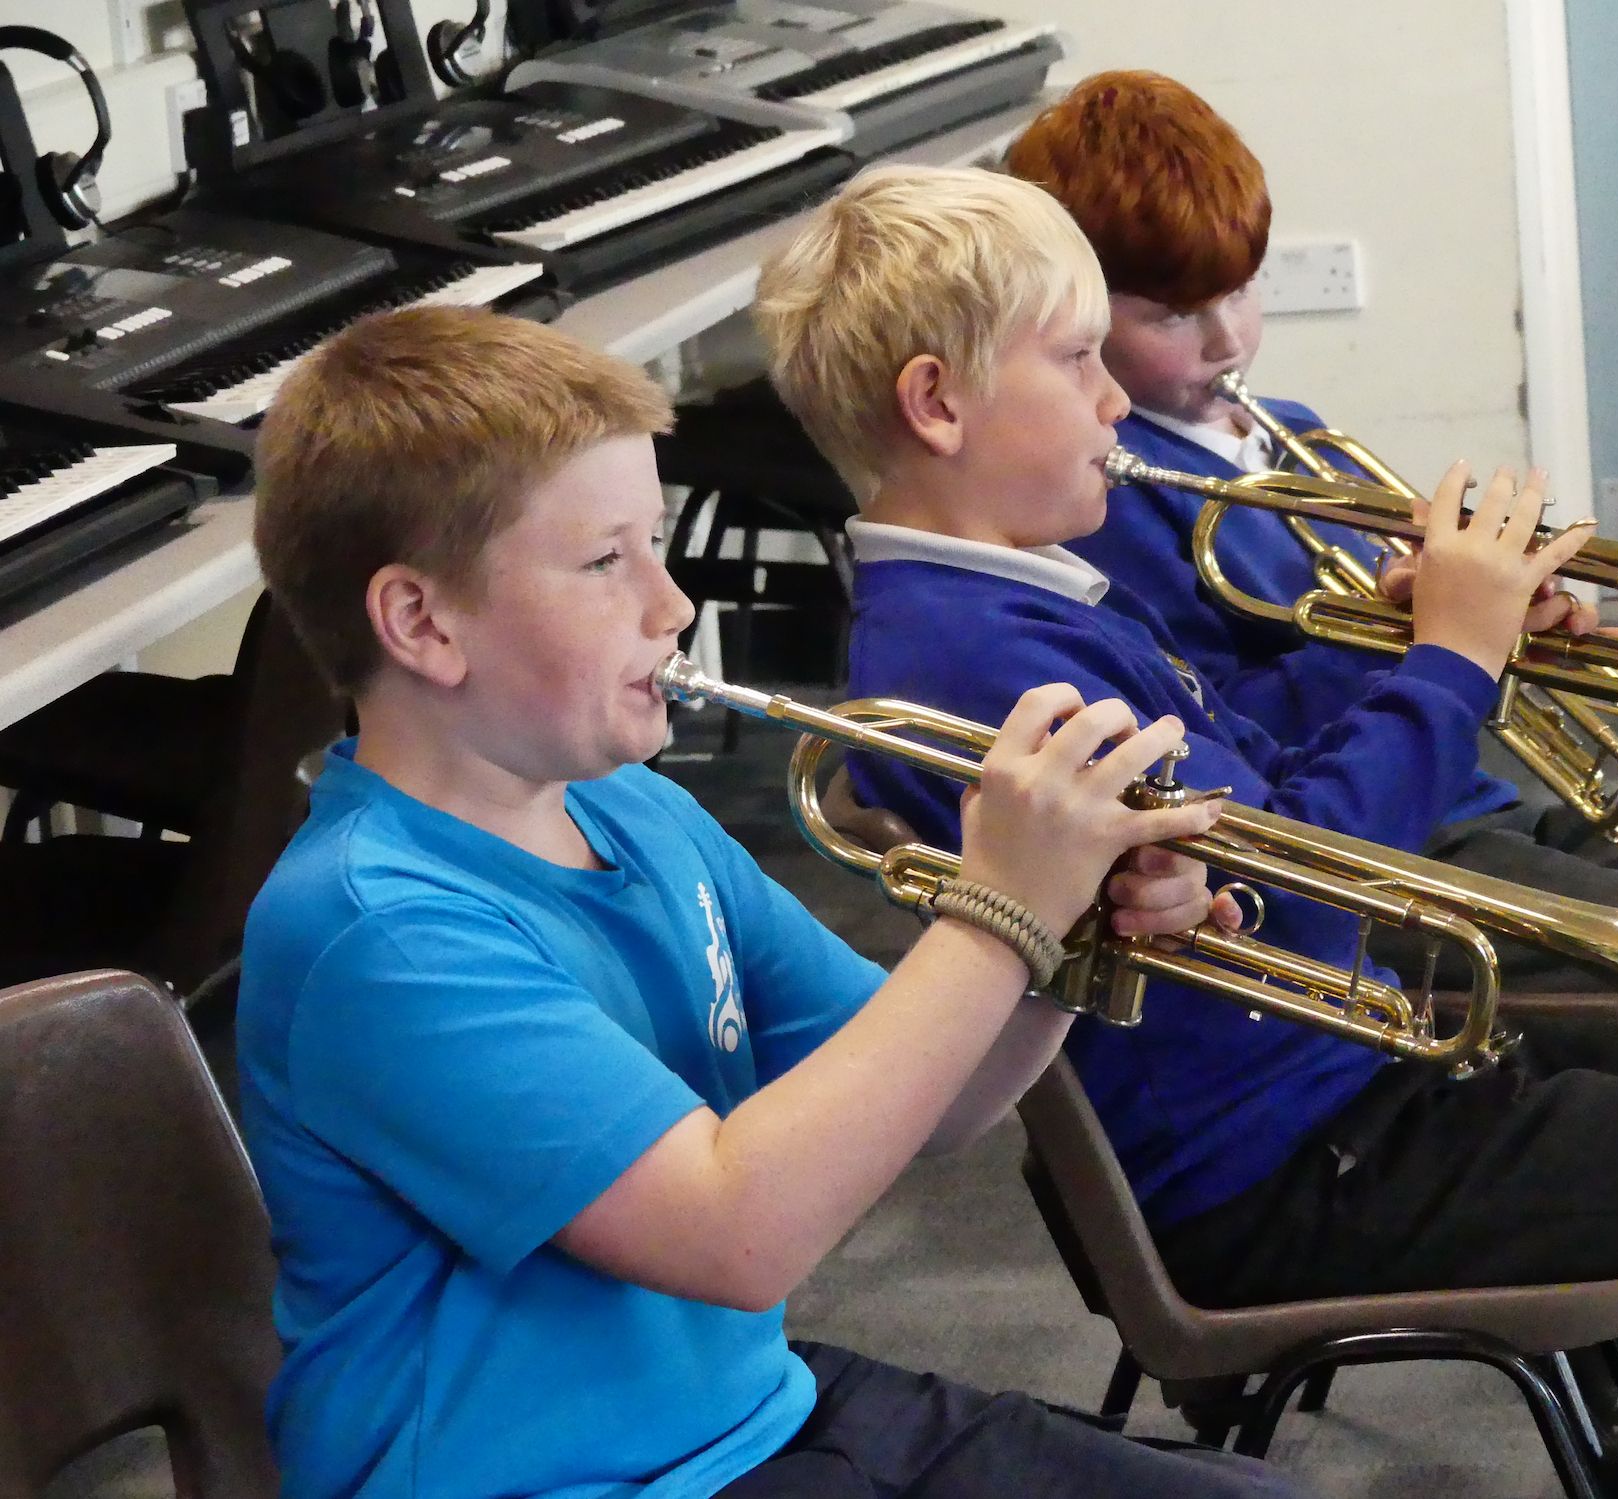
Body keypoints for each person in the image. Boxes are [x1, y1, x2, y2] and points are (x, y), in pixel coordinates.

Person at [755, 160, 1618, 1498]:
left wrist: (1402, 636)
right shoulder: (986, 658)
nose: (1112, 398)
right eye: (1077, 358)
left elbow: (1259, 794)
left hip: (1341, 1099)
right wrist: (1451, 659)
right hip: (1289, 1166)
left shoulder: (1024, 603)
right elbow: (1318, 878)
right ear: (937, 402)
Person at [235, 304, 1315, 1499]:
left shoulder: (633, 810)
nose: (672, 604)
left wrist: (1069, 931)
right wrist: (999, 909)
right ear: (422, 621)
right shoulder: (380, 929)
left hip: (744, 1418)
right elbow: (737, 1234)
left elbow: (938, 1099)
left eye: (657, 542)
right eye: (605, 562)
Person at [1001, 70, 1618, 1034]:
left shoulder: (1293, 433)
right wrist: (1429, 638)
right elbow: (1217, 739)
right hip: (1369, 850)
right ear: (1081, 314)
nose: (1227, 340)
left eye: (1240, 290)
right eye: (1172, 316)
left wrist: (1512, 623)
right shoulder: (1106, 497)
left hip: (1465, 793)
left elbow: (1421, 637)